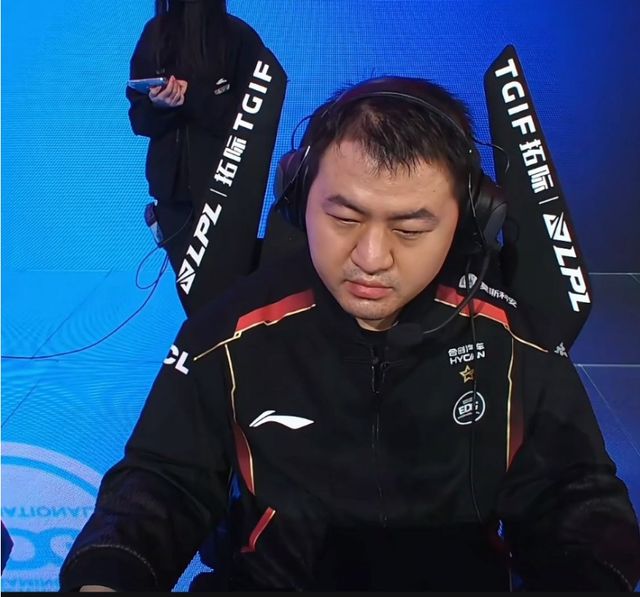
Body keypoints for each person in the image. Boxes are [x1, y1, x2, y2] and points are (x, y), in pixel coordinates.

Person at [60, 76, 640, 591]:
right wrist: (109, 573)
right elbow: (162, 482)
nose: (371, 258)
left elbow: (574, 496)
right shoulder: (227, 331)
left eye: (410, 229)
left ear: (470, 220)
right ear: (299, 200)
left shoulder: (517, 341)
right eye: (343, 218)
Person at [127, 0, 264, 284]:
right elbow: (139, 121)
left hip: (228, 194)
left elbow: (255, 120)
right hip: (172, 198)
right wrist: (159, 106)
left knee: (228, 289)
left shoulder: (240, 38)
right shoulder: (154, 35)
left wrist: (192, 98)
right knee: (193, 293)